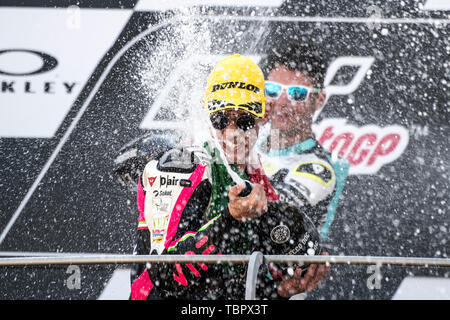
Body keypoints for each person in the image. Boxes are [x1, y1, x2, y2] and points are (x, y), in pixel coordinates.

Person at [129, 54, 322, 300]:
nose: (231, 133)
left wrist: (283, 289)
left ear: (263, 117)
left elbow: (231, 286)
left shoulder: (254, 177)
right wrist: (230, 219)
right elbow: (165, 277)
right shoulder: (183, 168)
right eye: (220, 120)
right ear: (206, 115)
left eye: (243, 121)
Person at [257, 41, 350, 297]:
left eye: (297, 94)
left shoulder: (319, 168)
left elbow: (262, 210)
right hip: (229, 290)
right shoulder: (245, 143)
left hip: (279, 291)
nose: (282, 102)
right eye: (273, 90)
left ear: (319, 99)